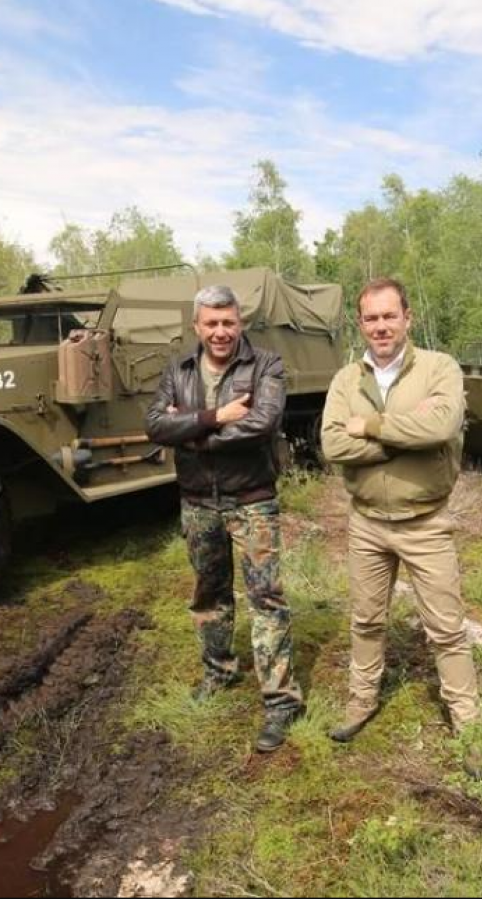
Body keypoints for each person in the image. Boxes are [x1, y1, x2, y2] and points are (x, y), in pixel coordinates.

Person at [321, 276, 481, 748]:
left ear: (408, 318)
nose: (381, 326)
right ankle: (361, 701)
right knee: (366, 621)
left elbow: (442, 426)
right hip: (366, 523)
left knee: (446, 629)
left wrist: (370, 426)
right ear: (361, 323)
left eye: (390, 315)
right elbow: (333, 444)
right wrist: (403, 439)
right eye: (371, 318)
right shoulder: (346, 379)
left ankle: (468, 723)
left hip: (425, 523)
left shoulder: (439, 368)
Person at [144, 284, 304, 752]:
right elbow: (154, 425)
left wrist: (191, 430)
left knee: (266, 599)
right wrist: (214, 417)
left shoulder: (265, 365)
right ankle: (218, 672)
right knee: (208, 594)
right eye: (211, 323)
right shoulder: (178, 369)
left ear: (240, 323)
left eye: (228, 322)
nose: (220, 332)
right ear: (196, 326)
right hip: (197, 502)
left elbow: (263, 423)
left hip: (251, 500)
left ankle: (282, 701)